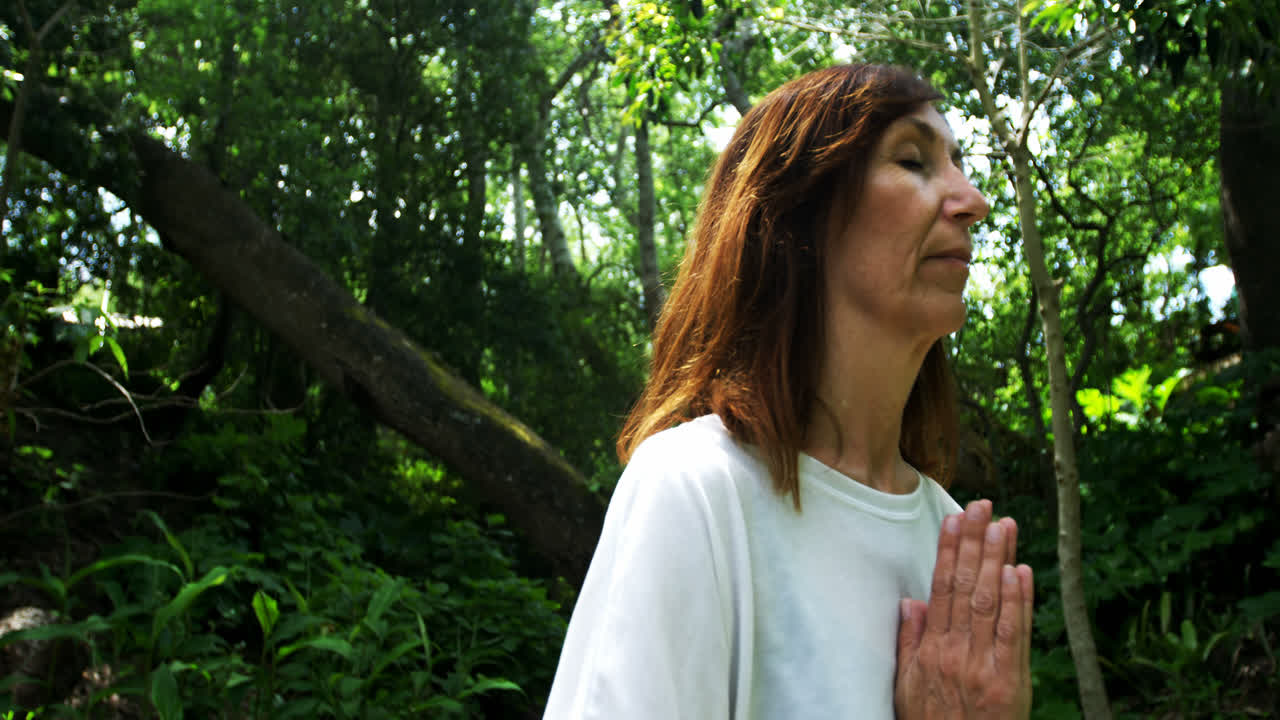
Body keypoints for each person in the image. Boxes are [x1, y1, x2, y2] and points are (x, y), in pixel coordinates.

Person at [544, 63, 1034, 719]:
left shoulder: (951, 542)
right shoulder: (696, 488)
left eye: (958, 164)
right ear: (797, 218)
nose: (973, 200)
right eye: (913, 161)